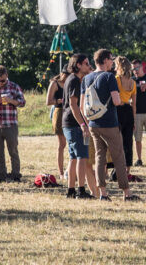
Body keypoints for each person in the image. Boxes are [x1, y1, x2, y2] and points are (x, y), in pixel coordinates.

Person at [81, 49, 140, 201]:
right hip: (109, 123)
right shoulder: (109, 77)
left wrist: (88, 123)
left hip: (93, 123)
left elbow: (82, 106)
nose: (112, 62)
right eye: (111, 59)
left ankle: (103, 194)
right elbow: (115, 100)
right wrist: (121, 101)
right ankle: (127, 193)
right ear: (106, 60)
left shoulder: (86, 79)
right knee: (119, 156)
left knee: (100, 157)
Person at [62, 53, 97, 199]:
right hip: (74, 123)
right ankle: (81, 191)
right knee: (82, 157)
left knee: (73, 158)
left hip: (68, 123)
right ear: (78, 65)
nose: (89, 66)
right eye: (86, 63)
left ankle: (71, 190)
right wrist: (83, 124)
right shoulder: (75, 80)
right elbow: (73, 104)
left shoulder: (71, 79)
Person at [0, 65, 26, 182]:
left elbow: (22, 102)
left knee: (13, 151)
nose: (0, 83)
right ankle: (1, 175)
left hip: (11, 123)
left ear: (7, 76)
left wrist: (11, 101)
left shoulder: (14, 87)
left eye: (2, 80)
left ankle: (15, 175)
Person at [114, 56, 139, 179]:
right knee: (128, 142)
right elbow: (134, 104)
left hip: (118, 111)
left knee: (116, 142)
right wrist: (133, 119)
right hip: (129, 112)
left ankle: (115, 169)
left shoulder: (116, 79)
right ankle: (127, 169)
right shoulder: (133, 82)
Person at [46, 65, 69, 178]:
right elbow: (48, 101)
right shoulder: (55, 83)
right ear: (62, 73)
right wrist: (58, 100)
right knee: (62, 144)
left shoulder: (71, 81)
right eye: (66, 75)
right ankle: (60, 172)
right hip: (59, 112)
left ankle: (69, 170)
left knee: (71, 144)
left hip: (70, 111)